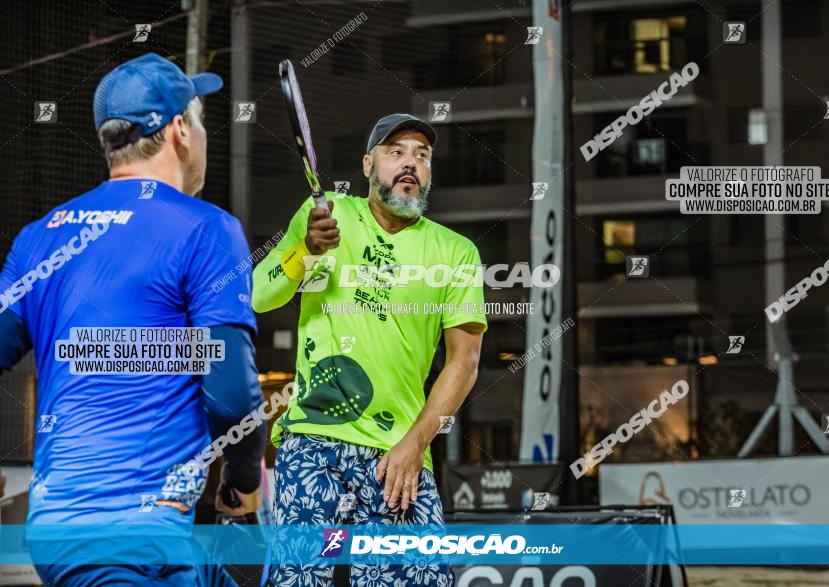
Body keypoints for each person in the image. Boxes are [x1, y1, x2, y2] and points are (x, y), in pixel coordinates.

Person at [0, 53, 265, 586]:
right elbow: (232, 394)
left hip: (65, 532)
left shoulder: (40, 237)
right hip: (134, 540)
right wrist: (243, 479)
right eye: (201, 121)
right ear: (179, 132)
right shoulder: (206, 229)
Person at [253, 113, 487, 586]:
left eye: (421, 156)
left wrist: (414, 443)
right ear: (367, 164)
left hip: (397, 454)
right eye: (395, 152)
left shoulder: (456, 252)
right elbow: (258, 295)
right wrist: (307, 252)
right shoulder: (328, 215)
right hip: (313, 439)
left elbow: (464, 363)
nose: (410, 164)